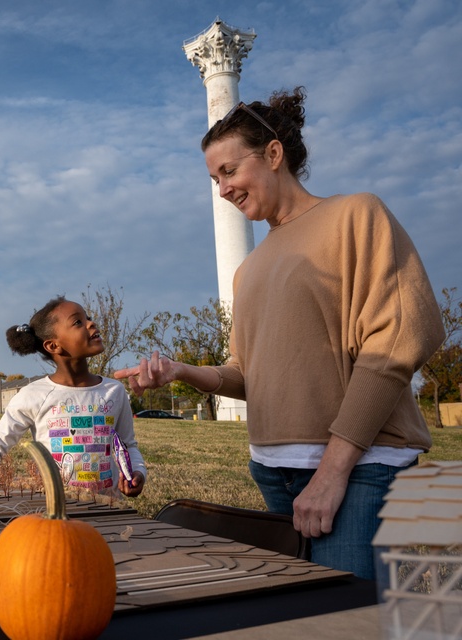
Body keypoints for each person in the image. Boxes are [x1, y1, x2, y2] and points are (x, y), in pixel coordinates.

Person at [115, 87, 444, 580]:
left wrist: (334, 471)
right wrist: (181, 371)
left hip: (360, 468)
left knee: (342, 621)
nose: (222, 189)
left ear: (273, 154)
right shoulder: (248, 270)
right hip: (272, 469)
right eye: (213, 179)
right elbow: (249, 374)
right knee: (298, 617)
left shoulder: (356, 215)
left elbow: (398, 341)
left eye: (229, 171)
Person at [0, 297, 146, 498]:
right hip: (53, 514)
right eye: (78, 322)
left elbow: (128, 446)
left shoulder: (115, 391)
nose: (91, 323)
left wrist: (137, 473)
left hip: (108, 513)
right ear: (53, 346)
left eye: (88, 318)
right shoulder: (33, 395)